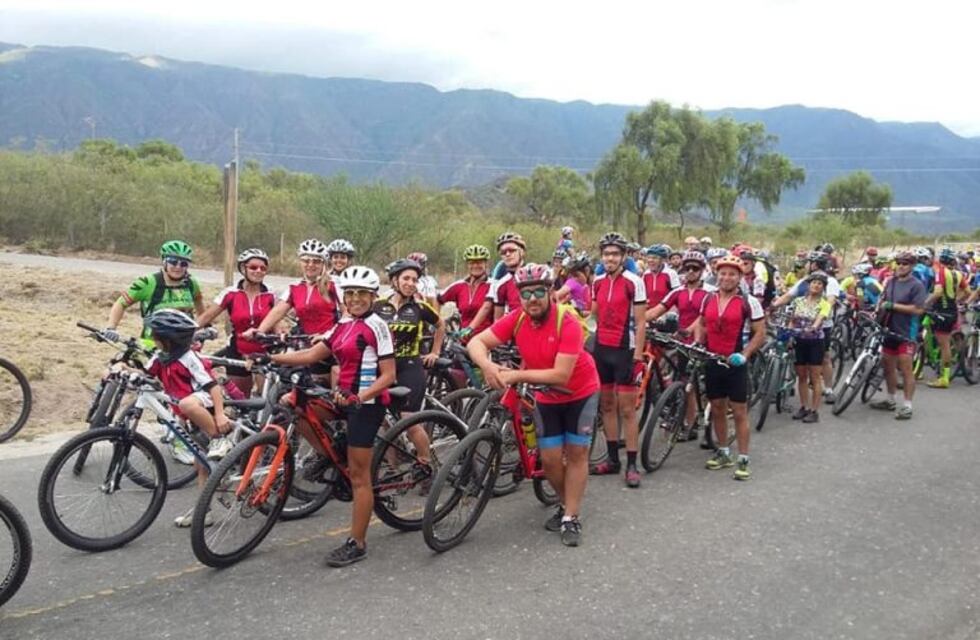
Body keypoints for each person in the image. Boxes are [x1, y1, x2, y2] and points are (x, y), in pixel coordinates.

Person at [262, 266, 396, 567]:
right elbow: (311, 356)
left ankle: (357, 543)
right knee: (298, 408)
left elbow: (389, 375)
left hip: (367, 403)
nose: (355, 299)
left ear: (373, 296)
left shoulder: (378, 327)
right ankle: (329, 456)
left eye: (362, 294)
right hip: (342, 397)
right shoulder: (343, 325)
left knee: (360, 477)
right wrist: (270, 358)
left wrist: (360, 396)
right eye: (350, 294)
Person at [467, 264, 599, 547]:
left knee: (576, 454)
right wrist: (488, 365)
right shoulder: (517, 318)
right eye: (526, 294)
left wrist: (516, 375)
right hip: (546, 396)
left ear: (551, 292)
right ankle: (567, 505)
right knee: (550, 461)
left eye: (539, 291)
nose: (533, 299)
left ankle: (570, 517)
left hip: (579, 393)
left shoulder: (568, 321)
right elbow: (477, 342)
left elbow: (560, 375)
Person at [143, 310, 233, 527]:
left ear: (169, 340)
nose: (153, 338)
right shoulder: (160, 356)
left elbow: (213, 387)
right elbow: (146, 376)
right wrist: (122, 370)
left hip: (205, 405)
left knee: (186, 403)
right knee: (201, 464)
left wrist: (220, 415)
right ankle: (205, 511)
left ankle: (221, 439)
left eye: (156, 335)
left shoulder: (189, 358)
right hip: (189, 416)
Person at [690, 255, 766, 480]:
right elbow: (702, 324)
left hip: (735, 364)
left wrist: (745, 355)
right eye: (723, 273)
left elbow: (760, 332)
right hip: (713, 360)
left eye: (732, 274)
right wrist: (698, 342)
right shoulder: (708, 299)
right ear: (717, 275)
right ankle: (723, 451)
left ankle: (743, 458)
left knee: (740, 412)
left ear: (739, 277)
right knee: (717, 408)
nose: (726, 277)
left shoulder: (748, 301)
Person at [588, 232, 647, 488]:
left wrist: (638, 355)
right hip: (602, 348)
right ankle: (613, 461)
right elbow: (593, 317)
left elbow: (642, 321)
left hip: (625, 350)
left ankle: (632, 464)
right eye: (606, 254)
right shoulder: (598, 281)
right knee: (606, 407)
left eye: (615, 254)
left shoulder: (634, 281)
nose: (610, 258)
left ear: (623, 256)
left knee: (627, 410)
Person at [374, 259, 445, 464]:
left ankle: (426, 463)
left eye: (414, 280)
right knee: (381, 419)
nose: (411, 283)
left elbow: (441, 325)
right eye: (406, 278)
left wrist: (435, 351)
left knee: (409, 420)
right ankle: (394, 468)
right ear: (395, 280)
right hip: (383, 366)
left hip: (409, 366)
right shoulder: (378, 305)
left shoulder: (420, 307)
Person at [246, 239, 342, 367]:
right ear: (300, 262)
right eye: (306, 260)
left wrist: (329, 335)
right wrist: (259, 331)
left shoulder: (334, 284)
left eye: (316, 261)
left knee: (333, 379)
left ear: (324, 264)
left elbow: (347, 314)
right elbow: (278, 311)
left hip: (328, 343)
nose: (310, 265)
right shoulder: (295, 288)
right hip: (303, 342)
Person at [645, 250, 711, 438]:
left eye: (695, 268)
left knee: (706, 387)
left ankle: (707, 420)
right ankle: (689, 425)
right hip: (683, 343)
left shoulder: (709, 293)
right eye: (687, 268)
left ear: (702, 270)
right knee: (684, 383)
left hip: (703, 343)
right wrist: (638, 320)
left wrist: (689, 330)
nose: (690, 271)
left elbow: (703, 317)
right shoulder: (678, 292)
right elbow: (656, 311)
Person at [197, 248, 278, 395]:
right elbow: (205, 317)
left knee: (267, 398)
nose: (258, 271)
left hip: (264, 351)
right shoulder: (230, 293)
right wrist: (184, 333)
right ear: (243, 268)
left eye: (263, 268)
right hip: (238, 349)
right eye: (253, 267)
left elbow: (279, 323)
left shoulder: (271, 295)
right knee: (240, 399)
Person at [105, 240, 204, 347]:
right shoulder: (147, 283)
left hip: (184, 345)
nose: (178, 267)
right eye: (173, 262)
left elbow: (199, 304)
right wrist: (111, 328)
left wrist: (206, 327)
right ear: (164, 261)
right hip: (152, 345)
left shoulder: (191, 284)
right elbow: (121, 303)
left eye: (184, 263)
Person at [773, 251, 842, 404]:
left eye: (809, 262)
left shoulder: (830, 281)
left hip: (821, 326)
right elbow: (789, 296)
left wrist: (819, 319)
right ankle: (786, 383)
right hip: (800, 325)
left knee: (824, 357)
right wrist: (772, 306)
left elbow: (830, 301)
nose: (806, 265)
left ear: (815, 264)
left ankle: (829, 389)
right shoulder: (806, 280)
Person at [869, 251, 927, 420]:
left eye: (905, 264)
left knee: (906, 369)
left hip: (907, 332)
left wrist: (893, 305)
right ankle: (890, 399)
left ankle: (907, 405)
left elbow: (918, 309)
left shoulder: (917, 285)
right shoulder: (891, 281)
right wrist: (878, 308)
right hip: (889, 329)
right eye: (899, 263)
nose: (901, 266)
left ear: (912, 266)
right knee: (888, 367)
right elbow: (883, 299)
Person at [785, 272, 832, 423]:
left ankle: (814, 410)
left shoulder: (824, 304)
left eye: (820, 284)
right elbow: (792, 319)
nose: (816, 285)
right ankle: (804, 406)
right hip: (799, 340)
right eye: (814, 283)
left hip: (815, 342)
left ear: (823, 288)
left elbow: (821, 318)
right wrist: (789, 332)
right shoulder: (798, 301)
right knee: (801, 376)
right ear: (809, 285)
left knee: (815, 377)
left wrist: (813, 327)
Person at [924, 247, 968, 389]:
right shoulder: (958, 274)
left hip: (942, 311)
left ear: (940, 260)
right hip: (952, 310)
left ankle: (944, 378)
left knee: (944, 345)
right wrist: (955, 299)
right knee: (944, 341)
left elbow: (937, 292)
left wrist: (923, 304)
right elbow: (967, 291)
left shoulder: (941, 272)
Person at [439, 244, 492, 340]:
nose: (475, 265)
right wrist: (437, 321)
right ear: (467, 265)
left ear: (486, 264)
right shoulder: (459, 286)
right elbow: (438, 299)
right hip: (463, 338)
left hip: (487, 340)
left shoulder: (494, 285)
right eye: (472, 262)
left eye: (479, 262)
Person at [642, 244, 681, 309]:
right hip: (649, 311)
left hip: (666, 311)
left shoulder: (670, 273)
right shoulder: (646, 274)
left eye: (654, 258)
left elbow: (677, 295)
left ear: (663, 260)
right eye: (649, 257)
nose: (650, 260)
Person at [554, 252, 593, 318]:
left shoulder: (588, 284)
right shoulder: (572, 282)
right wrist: (562, 303)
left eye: (588, 269)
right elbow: (556, 295)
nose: (588, 271)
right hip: (576, 318)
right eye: (586, 269)